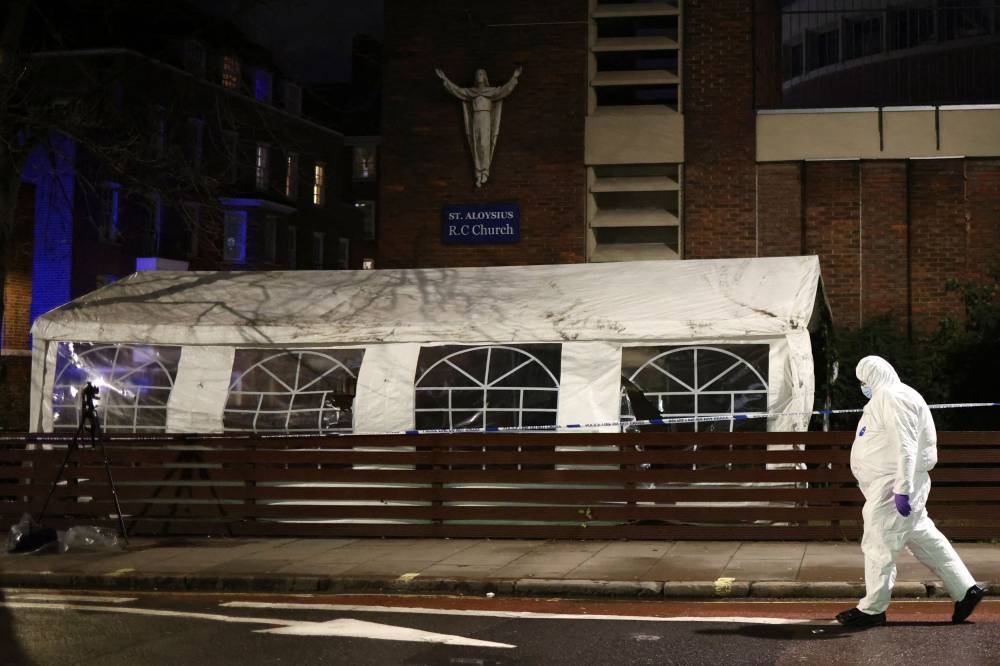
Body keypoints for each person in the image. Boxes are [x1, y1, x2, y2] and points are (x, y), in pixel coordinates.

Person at [836, 355, 987, 628]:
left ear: (872, 376)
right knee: (925, 539)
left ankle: (872, 609)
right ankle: (966, 590)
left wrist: (902, 488)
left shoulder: (892, 397)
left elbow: (905, 444)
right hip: (895, 483)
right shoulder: (891, 396)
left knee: (879, 543)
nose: (862, 386)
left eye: (862, 381)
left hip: (893, 485)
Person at [435, 67, 522, 187]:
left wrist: (514, 77)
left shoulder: (490, 91)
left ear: (485, 77)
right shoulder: (472, 92)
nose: (479, 76)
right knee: (476, 144)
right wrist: (445, 79)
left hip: (485, 118)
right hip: (475, 118)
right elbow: (457, 91)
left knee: (484, 144)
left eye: (481, 74)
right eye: (477, 74)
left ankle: (485, 172)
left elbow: (504, 90)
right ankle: (478, 173)